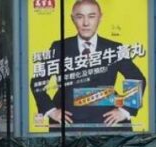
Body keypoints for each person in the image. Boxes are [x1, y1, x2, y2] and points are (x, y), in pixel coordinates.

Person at [29, 0, 146, 130]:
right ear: (72, 18)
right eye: (80, 16)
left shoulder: (114, 49)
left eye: (91, 16)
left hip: (106, 123)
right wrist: (51, 111)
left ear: (100, 17)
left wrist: (125, 111)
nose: (86, 23)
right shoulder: (59, 47)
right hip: (68, 123)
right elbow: (37, 81)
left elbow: (137, 77)